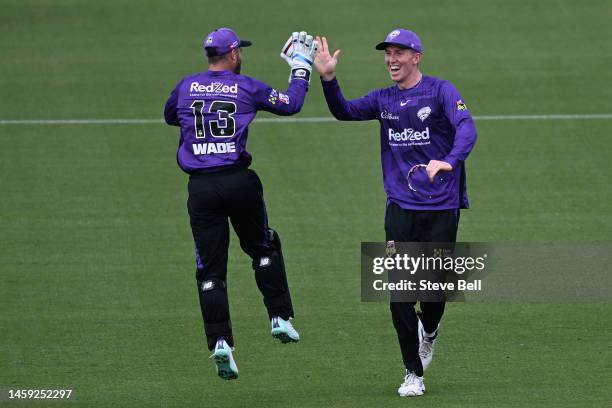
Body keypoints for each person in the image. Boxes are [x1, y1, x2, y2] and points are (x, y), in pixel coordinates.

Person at [314, 29, 477, 397]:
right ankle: (412, 373)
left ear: (416, 56)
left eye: (399, 52)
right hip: (400, 208)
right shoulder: (383, 99)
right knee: (400, 291)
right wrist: (328, 78)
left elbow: (467, 127)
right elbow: (345, 111)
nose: (392, 59)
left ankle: (429, 331)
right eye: (388, 53)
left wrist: (449, 162)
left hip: (442, 209)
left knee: (434, 292)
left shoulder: (441, 91)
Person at [164, 28, 317, 380]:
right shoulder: (246, 86)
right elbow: (290, 104)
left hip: (201, 189)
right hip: (238, 182)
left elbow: (171, 115)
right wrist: (300, 67)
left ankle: (220, 342)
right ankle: (279, 317)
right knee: (263, 247)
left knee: (210, 271)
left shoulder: (187, 86)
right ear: (233, 54)